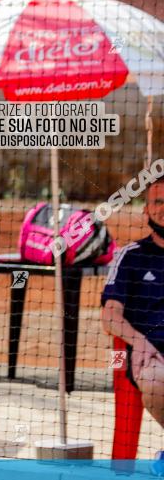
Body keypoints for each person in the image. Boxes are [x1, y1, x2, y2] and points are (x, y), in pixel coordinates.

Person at [102, 177, 164, 426]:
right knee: (155, 382)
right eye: (157, 202)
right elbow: (109, 316)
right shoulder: (130, 257)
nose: (163, 208)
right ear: (146, 210)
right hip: (153, 355)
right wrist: (139, 342)